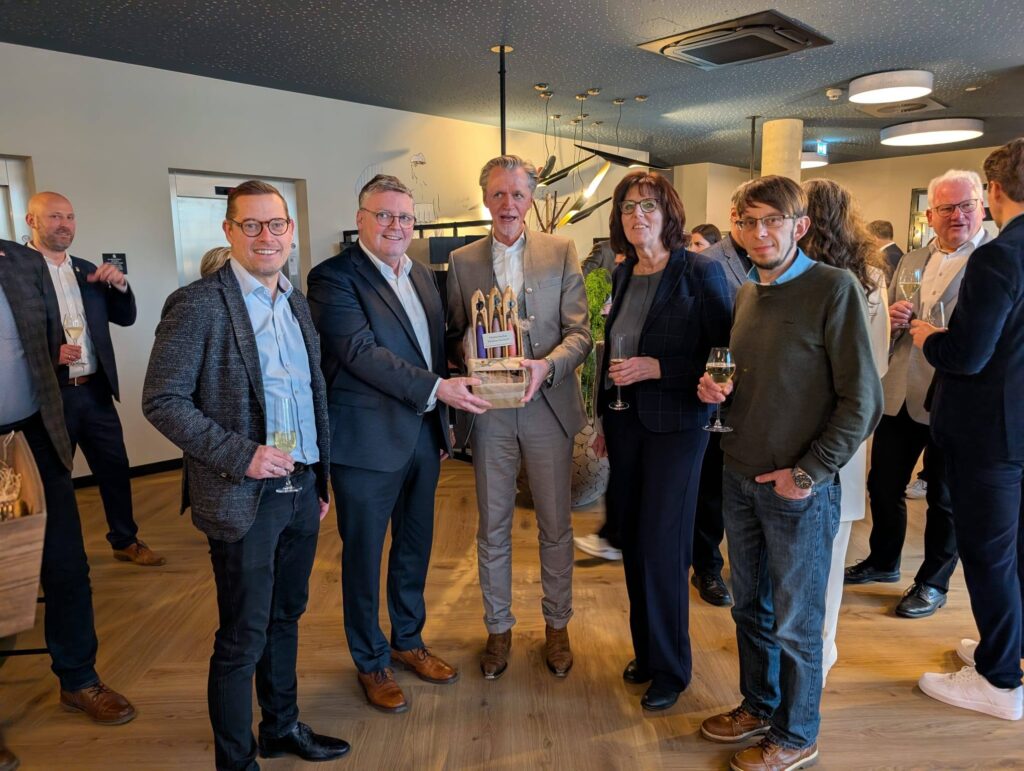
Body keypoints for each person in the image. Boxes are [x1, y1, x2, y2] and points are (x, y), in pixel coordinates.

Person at [143, 181, 349, 769]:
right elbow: (162, 401)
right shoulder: (198, 304)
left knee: (286, 618)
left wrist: (316, 480)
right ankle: (236, 761)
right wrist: (242, 455)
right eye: (251, 225)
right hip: (242, 495)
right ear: (229, 231)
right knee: (242, 636)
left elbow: (309, 395)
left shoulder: (296, 302)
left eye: (276, 225)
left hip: (300, 487)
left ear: (291, 231)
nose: (266, 237)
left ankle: (280, 727)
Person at [697, 175, 882, 771]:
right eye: (747, 222)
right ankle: (759, 706)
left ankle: (798, 735)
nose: (759, 233)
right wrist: (715, 391)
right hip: (739, 475)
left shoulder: (834, 287)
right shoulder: (749, 292)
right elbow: (753, 379)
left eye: (772, 220)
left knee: (798, 623)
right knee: (749, 608)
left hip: (796, 489)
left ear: (799, 226)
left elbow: (863, 401)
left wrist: (807, 474)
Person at [307, 175, 488, 712]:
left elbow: (432, 349)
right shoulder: (333, 278)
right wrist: (439, 390)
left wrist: (453, 401)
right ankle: (371, 661)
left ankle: (408, 640)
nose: (395, 226)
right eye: (384, 215)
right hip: (365, 444)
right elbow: (359, 352)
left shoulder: (423, 275)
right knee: (364, 557)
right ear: (360, 219)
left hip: (422, 436)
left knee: (414, 548)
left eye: (405, 217)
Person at [447, 155, 592, 680]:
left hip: (547, 408)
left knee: (555, 525)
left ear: (531, 199)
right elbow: (453, 333)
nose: (508, 204)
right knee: (492, 527)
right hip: (490, 412)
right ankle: (498, 628)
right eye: (498, 194)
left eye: (517, 194)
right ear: (485, 198)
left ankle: (557, 626)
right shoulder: (461, 260)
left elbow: (581, 335)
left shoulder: (561, 250)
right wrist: (464, 350)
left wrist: (546, 367)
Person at [593, 171, 732, 711]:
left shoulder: (700, 270)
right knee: (632, 539)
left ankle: (672, 668)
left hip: (678, 426)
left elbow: (724, 356)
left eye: (648, 206)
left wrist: (659, 367)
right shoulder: (622, 273)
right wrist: (602, 419)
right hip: (625, 423)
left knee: (664, 546)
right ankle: (647, 653)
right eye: (628, 207)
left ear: (668, 212)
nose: (638, 216)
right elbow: (612, 350)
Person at [0, 238, 136, 726]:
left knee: (66, 565)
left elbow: (52, 334)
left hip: (33, 435)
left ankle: (79, 679)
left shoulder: (22, 261)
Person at [912, 138, 1024, 721]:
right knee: (1016, 551)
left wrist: (928, 336)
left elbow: (966, 355)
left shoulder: (999, 256)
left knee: (988, 555)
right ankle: (1010, 651)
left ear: (994, 192)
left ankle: (999, 682)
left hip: (991, 433)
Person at [845, 170, 991, 619]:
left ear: (982, 207)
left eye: (966, 206)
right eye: (946, 208)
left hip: (956, 396)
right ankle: (884, 560)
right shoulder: (910, 259)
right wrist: (891, 318)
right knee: (883, 483)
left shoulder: (993, 260)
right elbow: (890, 324)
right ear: (929, 215)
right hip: (900, 391)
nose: (957, 215)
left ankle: (932, 582)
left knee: (943, 497)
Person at [25, 191, 164, 567]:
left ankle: (125, 540)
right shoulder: (18, 275)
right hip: (50, 395)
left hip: (95, 391)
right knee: (53, 480)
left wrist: (120, 286)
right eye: (55, 217)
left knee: (115, 468)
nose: (65, 225)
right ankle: (55, 557)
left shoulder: (85, 270)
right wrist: (50, 354)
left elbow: (125, 317)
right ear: (31, 221)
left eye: (70, 217)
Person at [800, 179, 889, 681]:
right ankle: (819, 644)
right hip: (847, 432)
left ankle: (815, 650)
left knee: (821, 547)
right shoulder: (870, 277)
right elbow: (878, 363)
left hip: (829, 429)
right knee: (827, 551)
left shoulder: (839, 279)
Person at [689, 201, 752, 607]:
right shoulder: (706, 262)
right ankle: (707, 568)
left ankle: (748, 569)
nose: (759, 229)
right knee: (710, 489)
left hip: (762, 400)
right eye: (750, 220)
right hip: (714, 394)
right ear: (735, 218)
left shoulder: (783, 261)